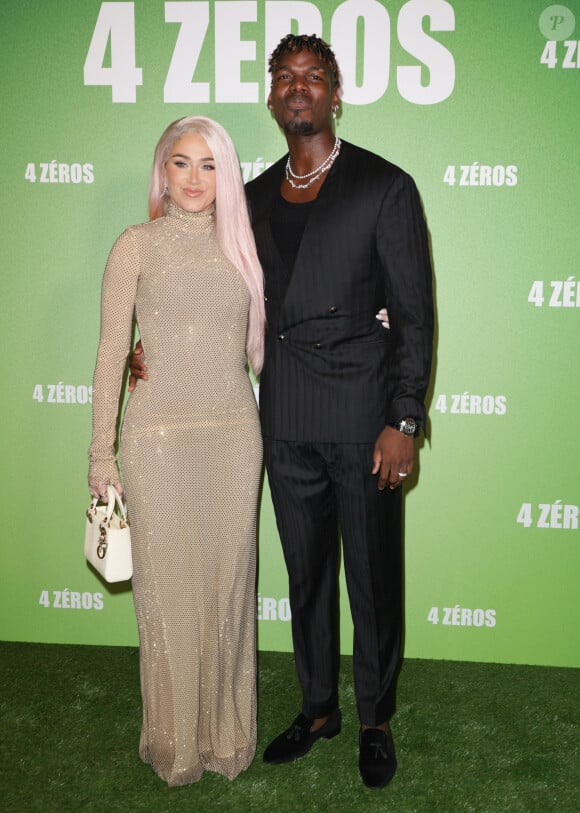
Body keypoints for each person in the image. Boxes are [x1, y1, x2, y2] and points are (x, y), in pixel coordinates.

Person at [131, 34, 433, 789]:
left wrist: (406, 418)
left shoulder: (384, 186)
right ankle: (319, 706)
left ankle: (374, 718)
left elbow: (417, 314)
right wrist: (152, 354)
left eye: (314, 77)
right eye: (285, 77)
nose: (298, 88)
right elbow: (204, 286)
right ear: (271, 97)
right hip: (284, 415)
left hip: (366, 416)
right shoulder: (252, 196)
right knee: (305, 575)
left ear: (336, 94)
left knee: (371, 574)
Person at [88, 116, 265, 786]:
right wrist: (99, 455)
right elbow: (111, 351)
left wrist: (375, 316)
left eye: (209, 165)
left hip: (233, 438)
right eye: (181, 163)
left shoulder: (247, 249)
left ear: (227, 175)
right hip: (156, 440)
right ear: (162, 171)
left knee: (227, 591)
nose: (194, 179)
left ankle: (225, 733)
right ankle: (175, 739)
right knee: (167, 596)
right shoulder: (135, 245)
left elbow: (288, 327)